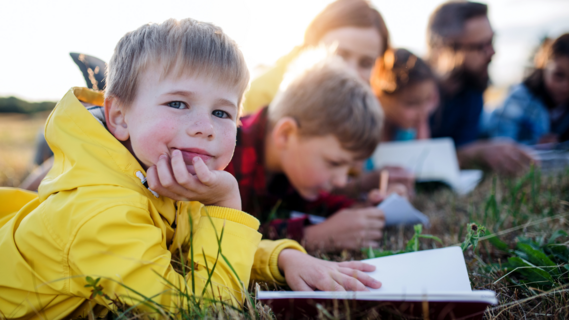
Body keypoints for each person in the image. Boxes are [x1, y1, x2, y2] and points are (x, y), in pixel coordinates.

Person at [0, 19, 382, 318]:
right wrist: (227, 201)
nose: (205, 127)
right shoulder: (101, 212)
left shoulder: (158, 173)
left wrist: (282, 257)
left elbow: (194, 247)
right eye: (178, 104)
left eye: (222, 112)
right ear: (119, 116)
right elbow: (200, 307)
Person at [151, 53, 389, 251]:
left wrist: (361, 207)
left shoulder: (292, 163)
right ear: (286, 134)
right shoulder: (219, 155)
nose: (340, 179)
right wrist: (315, 236)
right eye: (334, 163)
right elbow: (208, 236)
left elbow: (318, 203)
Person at [426, 1, 535, 175]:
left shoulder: (472, 89)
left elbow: (464, 144)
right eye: (481, 46)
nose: (492, 52)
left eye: (492, 41)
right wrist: (477, 153)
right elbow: (413, 158)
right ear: (446, 49)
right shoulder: (415, 91)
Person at [242, 0, 390, 114]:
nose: (351, 72)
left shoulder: (369, 108)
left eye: (366, 63)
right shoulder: (263, 94)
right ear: (313, 41)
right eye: (340, 55)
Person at [487, 33, 569, 144]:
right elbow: (499, 141)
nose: (565, 85)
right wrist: (535, 146)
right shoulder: (519, 98)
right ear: (543, 66)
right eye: (559, 75)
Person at [371, 48, 439, 142]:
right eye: (412, 103)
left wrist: (421, 128)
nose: (423, 112)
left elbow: (422, 149)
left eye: (428, 99)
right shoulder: (366, 129)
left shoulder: (411, 126)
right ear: (381, 97)